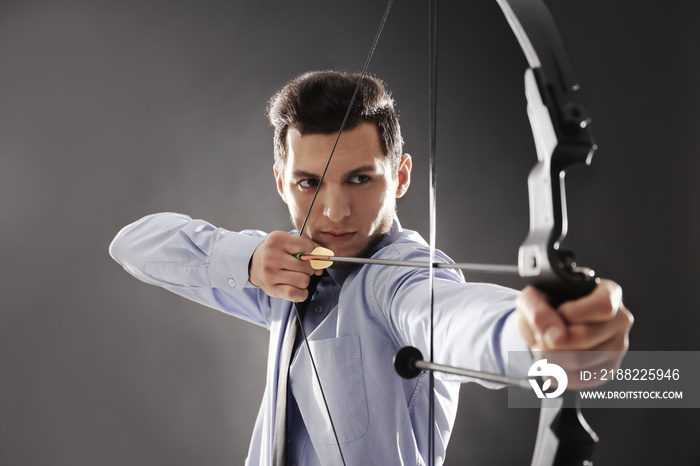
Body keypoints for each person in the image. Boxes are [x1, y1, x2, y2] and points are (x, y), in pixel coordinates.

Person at [109, 70, 633, 465]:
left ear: (400, 176)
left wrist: (539, 337)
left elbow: (452, 316)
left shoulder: (400, 279)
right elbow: (132, 245)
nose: (335, 212)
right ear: (280, 181)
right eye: (309, 182)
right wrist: (244, 260)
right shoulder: (281, 274)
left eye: (360, 179)